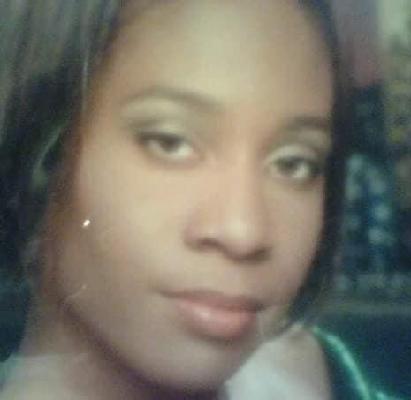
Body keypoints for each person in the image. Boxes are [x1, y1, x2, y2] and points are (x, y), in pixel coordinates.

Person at [0, 0, 386, 399]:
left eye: (293, 164)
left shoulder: (335, 380)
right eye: (170, 143)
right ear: (41, 151)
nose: (244, 232)